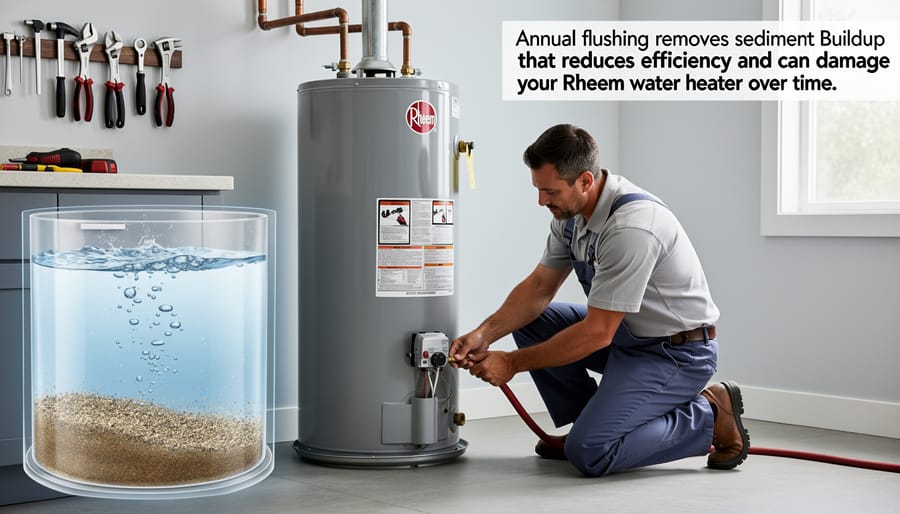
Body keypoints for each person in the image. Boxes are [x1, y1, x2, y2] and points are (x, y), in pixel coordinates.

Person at [449, 123, 750, 476]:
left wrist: (512, 363)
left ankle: (709, 413)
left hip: (675, 353)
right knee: (538, 323)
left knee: (591, 453)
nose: (541, 201)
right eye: (538, 189)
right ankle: (592, 420)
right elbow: (538, 288)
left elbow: (597, 333)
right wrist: (485, 334)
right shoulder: (571, 216)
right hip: (628, 336)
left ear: (585, 182)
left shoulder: (631, 228)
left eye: (550, 191)